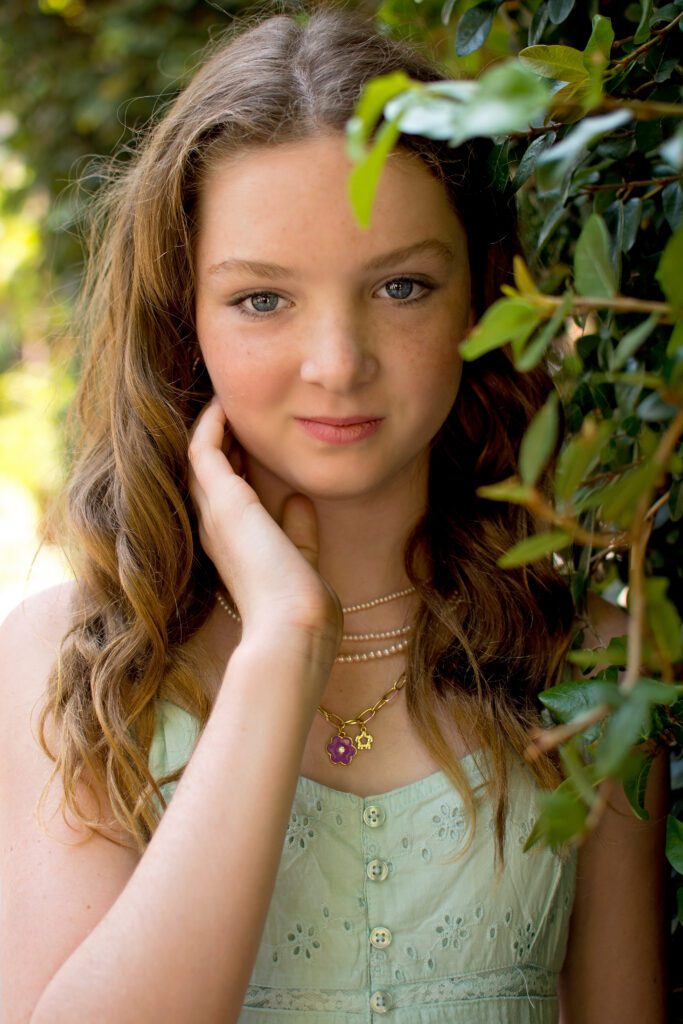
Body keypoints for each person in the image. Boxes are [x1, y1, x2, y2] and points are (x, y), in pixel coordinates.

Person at [0, 9, 667, 1023]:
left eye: (400, 286)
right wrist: (282, 642)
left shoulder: (592, 667)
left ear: (482, 295)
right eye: (263, 299)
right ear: (183, 317)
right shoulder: (72, 662)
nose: (337, 363)